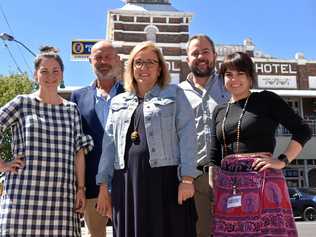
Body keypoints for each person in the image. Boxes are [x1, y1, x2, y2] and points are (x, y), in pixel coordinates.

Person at [96, 41, 198, 237]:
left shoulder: (175, 94)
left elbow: (188, 136)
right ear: (131, 67)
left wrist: (187, 178)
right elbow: (108, 146)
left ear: (160, 68)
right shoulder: (118, 102)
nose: (144, 68)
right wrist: (103, 186)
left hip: (166, 181)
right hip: (126, 182)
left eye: (150, 62)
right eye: (138, 62)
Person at [210, 51, 312, 236]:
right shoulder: (219, 110)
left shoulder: (266, 99)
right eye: (229, 74)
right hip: (227, 185)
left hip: (263, 181)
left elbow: (303, 130)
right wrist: (213, 184)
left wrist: (282, 160)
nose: (234, 79)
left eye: (240, 73)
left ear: (250, 77)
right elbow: (214, 152)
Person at [0, 46, 93, 236]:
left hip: (61, 200)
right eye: (44, 71)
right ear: (35, 75)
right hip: (22, 198)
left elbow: (79, 152)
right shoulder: (22, 103)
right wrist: (2, 164)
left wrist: (81, 189)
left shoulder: (71, 109)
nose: (50, 76)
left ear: (62, 74)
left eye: (55, 71)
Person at [70, 40, 124, 237]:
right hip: (91, 186)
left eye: (108, 57)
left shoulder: (132, 94)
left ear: (118, 60)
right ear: (90, 61)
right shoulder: (77, 97)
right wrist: (80, 187)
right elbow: (76, 144)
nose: (103, 61)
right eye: (98, 57)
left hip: (126, 183)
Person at [180, 34, 230, 237]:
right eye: (195, 53)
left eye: (205, 52)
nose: (201, 56)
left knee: (235, 229)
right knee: (201, 232)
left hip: (230, 175)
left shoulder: (230, 85)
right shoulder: (176, 93)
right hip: (195, 178)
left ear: (215, 56)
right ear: (187, 60)